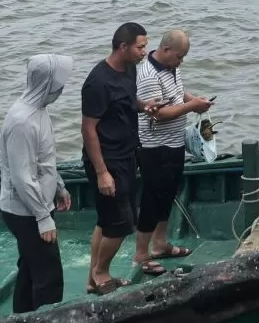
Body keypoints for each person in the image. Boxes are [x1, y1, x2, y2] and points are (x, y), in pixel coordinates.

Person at [81, 22, 159, 296]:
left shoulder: (130, 69)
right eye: (140, 47)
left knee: (106, 220)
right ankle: (100, 273)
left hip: (128, 154)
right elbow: (88, 129)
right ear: (123, 47)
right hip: (106, 159)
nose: (144, 52)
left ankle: (94, 277)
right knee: (120, 224)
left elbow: (128, 99)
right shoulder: (98, 82)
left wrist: (143, 106)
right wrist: (102, 172)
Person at [134, 30, 213, 273]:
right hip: (154, 146)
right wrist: (191, 106)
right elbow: (158, 113)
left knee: (168, 194)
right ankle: (141, 254)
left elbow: (177, 96)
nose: (181, 62)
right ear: (166, 50)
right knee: (152, 198)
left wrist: (194, 100)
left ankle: (160, 244)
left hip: (175, 143)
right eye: (180, 56)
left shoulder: (171, 67)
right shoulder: (148, 74)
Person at [0, 55, 74, 313]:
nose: (62, 90)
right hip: (25, 211)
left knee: (31, 266)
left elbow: (44, 161)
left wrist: (59, 186)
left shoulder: (39, 111)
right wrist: (43, 216)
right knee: (48, 274)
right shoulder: (22, 121)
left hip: (37, 203)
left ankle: (23, 315)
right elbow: (22, 177)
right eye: (59, 84)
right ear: (47, 84)